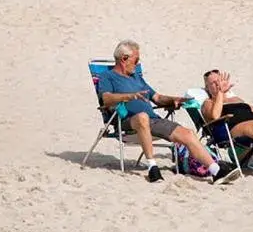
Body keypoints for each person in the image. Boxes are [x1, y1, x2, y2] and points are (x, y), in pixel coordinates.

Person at [97, 41, 239, 184]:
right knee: (142, 117)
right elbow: (106, 99)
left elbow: (157, 98)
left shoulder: (136, 77)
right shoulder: (107, 77)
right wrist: (129, 96)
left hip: (153, 121)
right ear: (124, 59)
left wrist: (174, 99)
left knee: (188, 134)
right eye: (136, 60)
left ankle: (216, 171)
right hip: (127, 122)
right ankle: (153, 168)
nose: (137, 63)